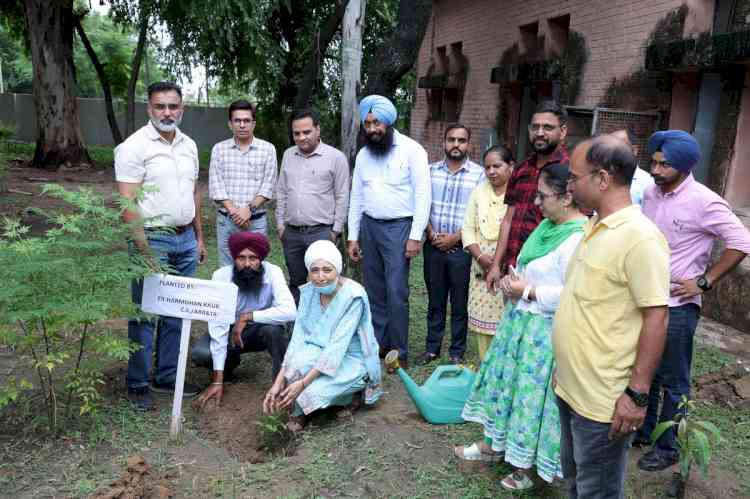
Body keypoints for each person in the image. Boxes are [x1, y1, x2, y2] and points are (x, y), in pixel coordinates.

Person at [457, 161, 587, 491]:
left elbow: (575, 293)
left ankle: (526, 468)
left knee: (533, 401)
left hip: (545, 336)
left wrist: (527, 290)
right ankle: (494, 446)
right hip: (520, 327)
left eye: (543, 197)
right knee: (509, 390)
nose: (536, 204)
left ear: (567, 197)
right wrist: (515, 280)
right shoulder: (547, 228)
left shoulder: (577, 239)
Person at [554, 136, 670, 498]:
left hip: (603, 401)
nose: (569, 184)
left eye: (574, 177)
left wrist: (636, 395)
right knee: (575, 482)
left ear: (602, 179)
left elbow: (657, 317)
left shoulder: (640, 239)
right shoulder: (594, 225)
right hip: (572, 386)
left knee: (597, 491)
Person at [636, 130, 750, 472]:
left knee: (674, 379)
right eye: (654, 162)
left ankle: (668, 447)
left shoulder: (705, 201)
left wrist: (704, 281)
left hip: (678, 306)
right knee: (647, 370)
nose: (655, 170)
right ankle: (642, 431)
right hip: (646, 300)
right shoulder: (650, 194)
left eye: (664, 165)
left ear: (684, 167)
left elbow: (741, 242)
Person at [115, 81, 207, 411]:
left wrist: (198, 236)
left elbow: (193, 192)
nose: (167, 112)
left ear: (182, 108)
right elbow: (127, 203)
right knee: (144, 313)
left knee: (178, 311)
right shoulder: (134, 147)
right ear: (149, 109)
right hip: (151, 238)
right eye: (160, 106)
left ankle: (167, 376)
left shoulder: (190, 145)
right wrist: (145, 250)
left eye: (173, 106)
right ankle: (138, 383)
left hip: (184, 238)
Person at [347, 95, 431, 371]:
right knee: (374, 290)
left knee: (396, 291)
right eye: (367, 123)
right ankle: (379, 344)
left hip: (399, 228)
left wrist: (415, 235)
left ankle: (400, 351)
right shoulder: (363, 154)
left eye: (376, 122)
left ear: (389, 121)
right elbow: (356, 196)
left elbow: (423, 194)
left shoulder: (412, 150)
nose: (372, 129)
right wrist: (353, 235)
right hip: (370, 227)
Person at [263, 240, 383, 430]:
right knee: (293, 368)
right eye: (314, 270)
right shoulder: (308, 291)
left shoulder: (354, 296)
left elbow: (336, 348)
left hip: (351, 358)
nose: (320, 277)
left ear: (338, 269)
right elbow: (298, 339)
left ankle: (350, 397)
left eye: (327, 270)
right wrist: (278, 382)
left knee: (308, 393)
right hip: (318, 351)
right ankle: (299, 412)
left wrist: (302, 384)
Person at [192, 232, 297, 408]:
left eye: (253, 258)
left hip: (259, 329)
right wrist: (218, 381)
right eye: (241, 258)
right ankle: (226, 369)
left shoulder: (273, 272)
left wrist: (248, 317)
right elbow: (218, 327)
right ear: (234, 258)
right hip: (229, 331)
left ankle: (281, 384)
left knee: (274, 331)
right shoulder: (220, 277)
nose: (247, 264)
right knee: (202, 353)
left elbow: (290, 311)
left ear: (261, 259)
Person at [486, 101, 569, 293]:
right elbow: (508, 220)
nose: (540, 132)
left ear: (562, 131)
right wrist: (496, 264)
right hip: (512, 269)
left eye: (548, 127)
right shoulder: (521, 169)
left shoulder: (571, 173)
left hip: (545, 276)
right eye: (535, 127)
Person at [419, 124, 484, 366]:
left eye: (461, 140)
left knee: (460, 301)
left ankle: (457, 350)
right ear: (443, 142)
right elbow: (421, 205)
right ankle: (432, 347)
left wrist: (456, 237)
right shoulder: (428, 172)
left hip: (463, 249)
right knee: (435, 300)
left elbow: (480, 213)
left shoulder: (480, 175)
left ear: (469, 144)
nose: (456, 144)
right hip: (433, 245)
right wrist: (431, 233)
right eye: (451, 140)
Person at [276, 108, 350, 304]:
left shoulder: (335, 158)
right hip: (291, 234)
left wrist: (335, 231)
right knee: (297, 283)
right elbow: (282, 191)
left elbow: (342, 196)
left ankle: (324, 329)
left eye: (306, 132)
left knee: (324, 283)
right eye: (296, 133)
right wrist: (280, 225)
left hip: (321, 232)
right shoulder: (288, 155)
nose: (301, 137)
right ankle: (300, 327)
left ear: (318, 129)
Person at [209, 99, 277, 267]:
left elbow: (268, 185)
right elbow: (216, 185)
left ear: (253, 123)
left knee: (255, 268)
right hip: (226, 222)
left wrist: (248, 209)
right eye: (237, 120)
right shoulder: (219, 149)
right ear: (230, 124)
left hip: (256, 221)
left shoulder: (268, 149)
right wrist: (235, 212)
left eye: (246, 121)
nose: (242, 125)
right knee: (227, 269)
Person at [461, 145, 515, 361]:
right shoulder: (479, 191)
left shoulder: (518, 193)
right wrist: (482, 258)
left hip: (507, 267)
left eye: (497, 166)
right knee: (481, 325)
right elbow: (467, 229)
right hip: (480, 267)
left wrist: (499, 263)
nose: (491, 171)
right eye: (487, 167)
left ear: (511, 167)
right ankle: (484, 369)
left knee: (506, 326)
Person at [610, 128, 654, 206]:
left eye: (618, 146)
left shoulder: (648, 183)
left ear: (634, 150)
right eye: (609, 146)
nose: (612, 151)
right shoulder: (602, 177)